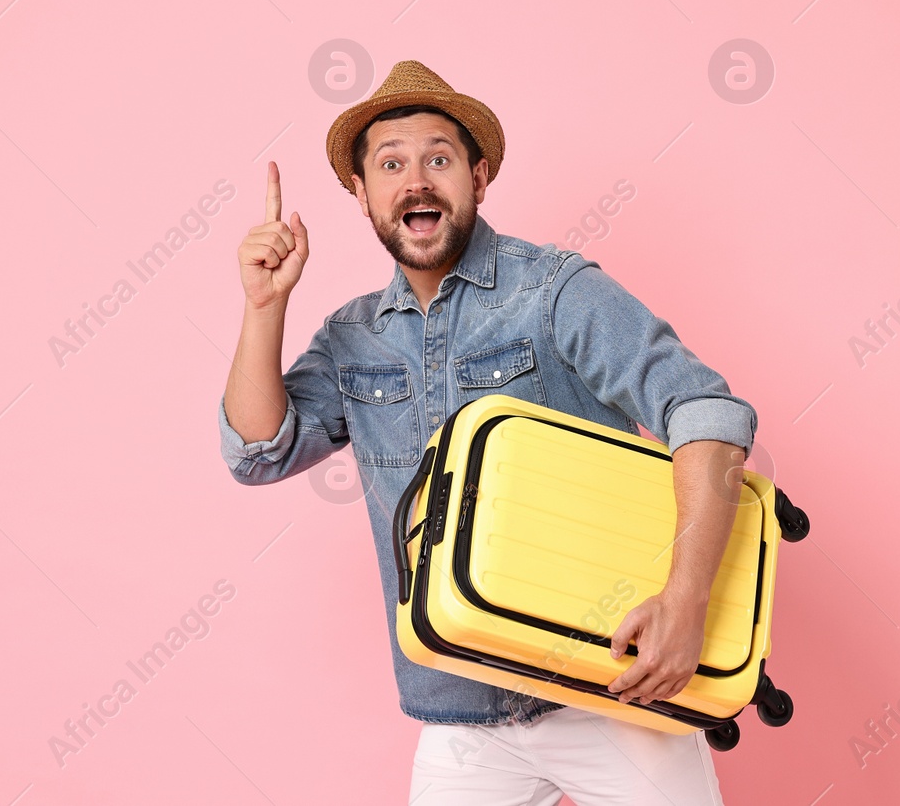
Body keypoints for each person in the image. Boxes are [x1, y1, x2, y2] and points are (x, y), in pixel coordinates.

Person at [217, 59, 758, 804]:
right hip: (461, 711)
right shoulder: (350, 339)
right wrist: (262, 306)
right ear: (361, 192)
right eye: (391, 163)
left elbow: (706, 413)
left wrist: (687, 601)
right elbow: (258, 451)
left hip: (611, 691)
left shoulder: (555, 290)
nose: (416, 180)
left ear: (476, 177)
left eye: (438, 158)